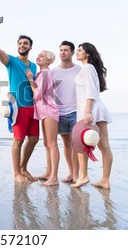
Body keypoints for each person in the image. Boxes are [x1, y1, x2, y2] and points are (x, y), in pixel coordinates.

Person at [0, 18, 39, 183]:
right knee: (18, 140)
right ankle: (17, 173)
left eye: (25, 43)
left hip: (33, 107)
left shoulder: (33, 66)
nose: (22, 45)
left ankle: (23, 167)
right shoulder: (11, 61)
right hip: (18, 107)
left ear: (30, 47)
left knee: (34, 139)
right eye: (20, 43)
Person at [71, 42, 113, 189]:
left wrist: (87, 111)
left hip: (90, 109)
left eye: (80, 50)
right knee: (104, 146)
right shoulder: (91, 68)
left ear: (87, 53)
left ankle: (83, 176)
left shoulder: (87, 68)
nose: (77, 52)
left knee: (80, 143)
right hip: (97, 108)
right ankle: (105, 180)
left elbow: (90, 91)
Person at [25, 50, 60, 186]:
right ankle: (48, 173)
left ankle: (54, 177)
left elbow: (38, 94)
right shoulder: (40, 74)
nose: (38, 57)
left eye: (42, 56)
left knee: (52, 145)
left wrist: (29, 79)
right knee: (47, 144)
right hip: (44, 111)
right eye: (38, 55)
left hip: (49, 111)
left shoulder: (45, 73)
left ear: (49, 61)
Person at [51, 41, 81, 183]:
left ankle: (76, 174)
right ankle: (71, 173)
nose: (63, 52)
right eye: (61, 50)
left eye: (66, 50)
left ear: (72, 53)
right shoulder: (53, 71)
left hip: (76, 111)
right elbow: (46, 91)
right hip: (59, 113)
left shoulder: (79, 70)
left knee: (75, 144)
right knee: (67, 144)